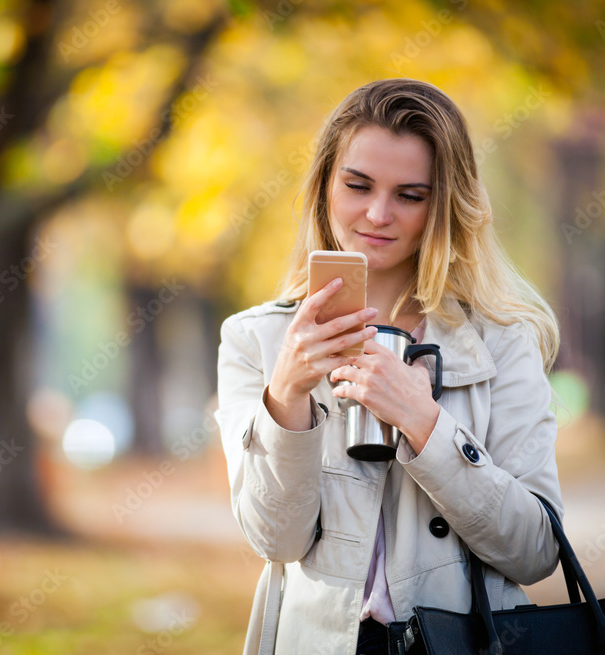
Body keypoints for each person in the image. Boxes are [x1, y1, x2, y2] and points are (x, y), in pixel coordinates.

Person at [214, 78, 564, 655]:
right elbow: (274, 539)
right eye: (357, 185)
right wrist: (287, 394)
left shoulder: (501, 343)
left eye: (411, 194)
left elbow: (535, 552)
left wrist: (426, 426)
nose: (378, 214)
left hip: (463, 640)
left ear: (444, 204)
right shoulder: (258, 339)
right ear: (324, 185)